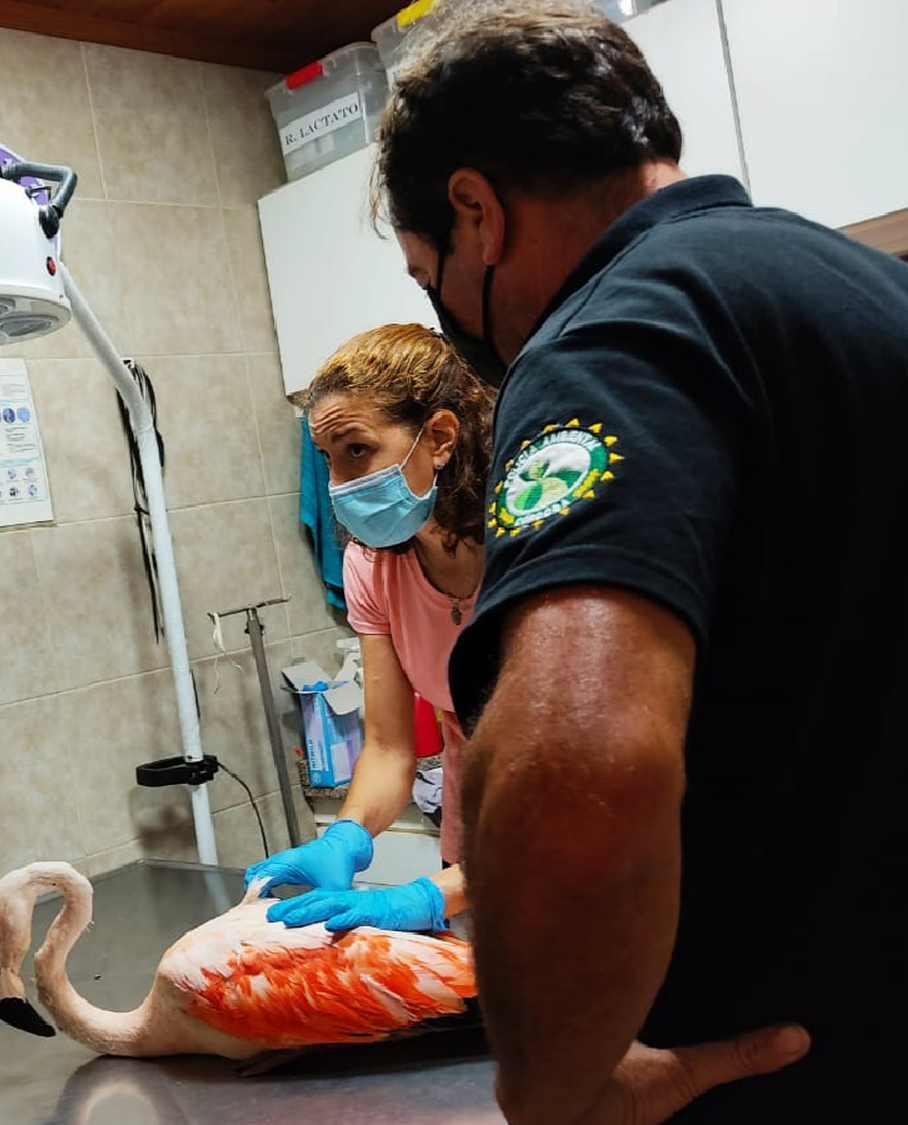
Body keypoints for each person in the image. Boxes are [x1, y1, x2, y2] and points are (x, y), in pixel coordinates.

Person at [374, 1, 908, 1121]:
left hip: (780, 1066)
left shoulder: (607, 339)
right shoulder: (864, 292)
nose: (452, 317)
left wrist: (558, 1092)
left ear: (476, 211)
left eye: (431, 275)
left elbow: (578, 769)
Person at [245, 323, 493, 934]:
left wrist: (432, 896)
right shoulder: (374, 565)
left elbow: (574, 775)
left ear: (437, 437)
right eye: (328, 460)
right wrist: (348, 838)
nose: (339, 484)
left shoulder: (528, 546)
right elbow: (387, 745)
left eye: (358, 451)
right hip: (481, 820)